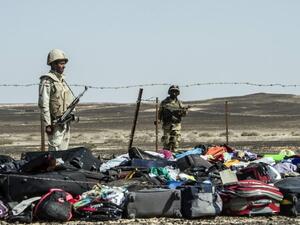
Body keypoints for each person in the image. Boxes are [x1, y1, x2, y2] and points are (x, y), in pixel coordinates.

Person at [38, 49, 75, 151]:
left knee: (64, 152)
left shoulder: (63, 81)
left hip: (66, 122)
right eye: (61, 63)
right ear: (53, 64)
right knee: (55, 151)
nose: (64, 66)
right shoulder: (47, 80)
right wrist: (48, 125)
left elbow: (69, 100)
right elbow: (43, 105)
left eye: (64, 64)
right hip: (55, 124)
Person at [157, 85, 189, 151]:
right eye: (172, 91)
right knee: (166, 141)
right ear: (169, 92)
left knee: (175, 141)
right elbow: (160, 112)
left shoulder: (180, 103)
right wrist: (158, 120)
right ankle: (166, 156)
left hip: (176, 125)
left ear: (178, 93)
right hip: (167, 124)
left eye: (176, 91)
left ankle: (174, 156)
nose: (174, 93)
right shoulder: (164, 102)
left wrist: (184, 111)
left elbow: (183, 114)